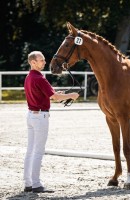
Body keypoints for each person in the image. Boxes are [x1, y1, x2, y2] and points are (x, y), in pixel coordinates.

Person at [23, 51, 79, 193]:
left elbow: (48, 94)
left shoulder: (29, 77)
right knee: (38, 151)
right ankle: (36, 184)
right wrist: (71, 95)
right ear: (33, 62)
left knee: (30, 151)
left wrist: (60, 94)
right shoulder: (40, 78)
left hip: (31, 115)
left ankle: (28, 183)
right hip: (40, 117)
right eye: (41, 60)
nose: (44, 62)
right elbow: (54, 97)